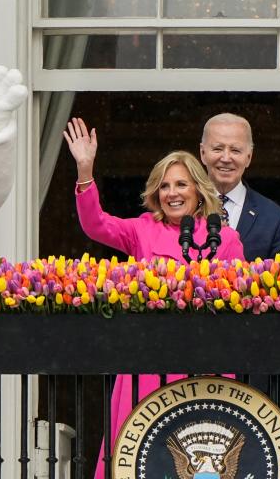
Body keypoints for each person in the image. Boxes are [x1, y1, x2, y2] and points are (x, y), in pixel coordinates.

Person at [63, 117, 244, 479]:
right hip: (146, 363)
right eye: (164, 186)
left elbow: (235, 305)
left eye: (181, 184)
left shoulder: (224, 240)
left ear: (198, 189)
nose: (172, 193)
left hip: (204, 365)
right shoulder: (142, 229)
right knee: (140, 456)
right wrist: (85, 171)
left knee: (197, 460)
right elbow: (95, 224)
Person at [199, 113, 280, 262]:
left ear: (248, 157)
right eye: (217, 149)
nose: (226, 158)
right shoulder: (183, 208)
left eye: (235, 150)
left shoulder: (273, 218)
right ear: (203, 153)